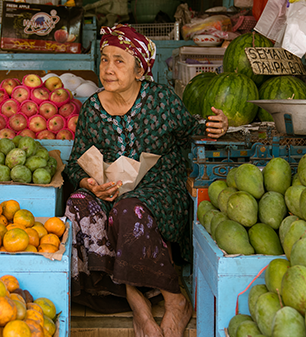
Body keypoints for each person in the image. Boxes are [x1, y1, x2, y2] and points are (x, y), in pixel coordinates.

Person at [64, 24, 228, 337]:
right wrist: (90, 185)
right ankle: (135, 300)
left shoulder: (161, 100)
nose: (108, 68)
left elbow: (196, 130)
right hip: (109, 191)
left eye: (119, 61)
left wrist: (218, 125)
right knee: (78, 204)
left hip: (160, 189)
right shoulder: (92, 110)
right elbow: (75, 165)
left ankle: (174, 300)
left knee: (128, 209)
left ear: (140, 70)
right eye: (104, 60)